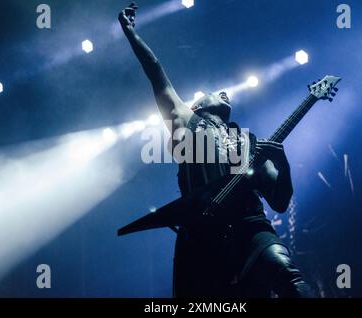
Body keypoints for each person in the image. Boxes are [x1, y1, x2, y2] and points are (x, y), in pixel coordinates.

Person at [118, 3, 312, 297]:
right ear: (196, 106)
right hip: (203, 234)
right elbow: (156, 72)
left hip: (251, 227)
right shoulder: (186, 121)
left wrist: (283, 164)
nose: (223, 91)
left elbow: (280, 201)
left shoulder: (250, 141)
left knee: (287, 275)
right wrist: (131, 34)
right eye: (214, 90)